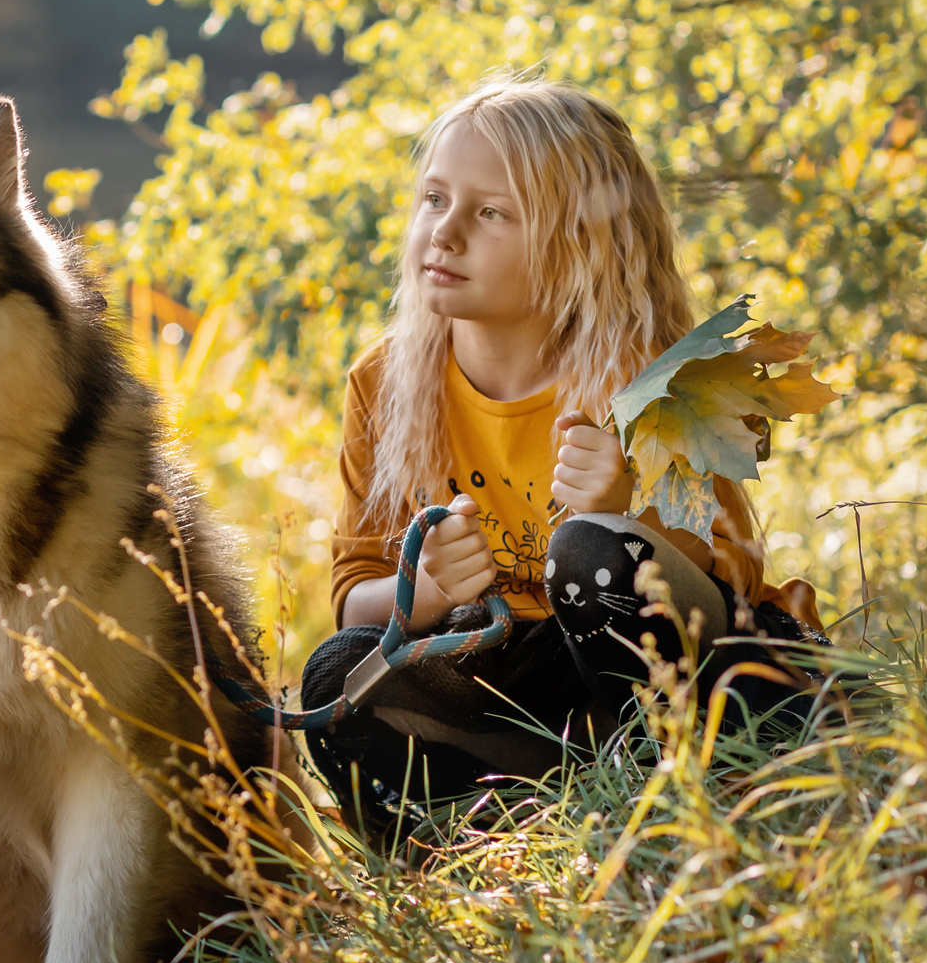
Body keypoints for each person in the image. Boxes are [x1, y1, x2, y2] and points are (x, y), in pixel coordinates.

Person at [300, 75, 823, 834]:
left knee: (591, 552)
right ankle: (499, 814)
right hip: (518, 684)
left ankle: (657, 789)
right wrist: (423, 591)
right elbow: (354, 591)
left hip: (685, 672)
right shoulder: (384, 382)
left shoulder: (649, 378)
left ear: (577, 244)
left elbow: (732, 565)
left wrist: (625, 512)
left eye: (490, 214)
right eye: (435, 199)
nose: (443, 233)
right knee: (334, 674)